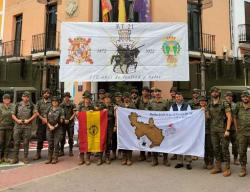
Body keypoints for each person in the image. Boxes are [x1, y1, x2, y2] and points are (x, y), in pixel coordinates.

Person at [208, 86, 232, 177]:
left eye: (216, 92)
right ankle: (218, 167)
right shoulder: (209, 104)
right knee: (216, 148)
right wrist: (203, 111)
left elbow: (229, 117)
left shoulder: (224, 103)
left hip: (223, 130)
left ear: (219, 93)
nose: (214, 93)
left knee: (224, 149)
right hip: (213, 130)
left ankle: (227, 168)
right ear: (211, 93)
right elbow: (208, 116)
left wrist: (228, 130)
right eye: (213, 92)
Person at [11, 91, 37, 164]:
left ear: (29, 98)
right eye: (24, 97)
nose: (26, 98)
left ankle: (25, 158)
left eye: (27, 97)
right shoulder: (17, 105)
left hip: (27, 126)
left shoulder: (32, 105)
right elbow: (13, 115)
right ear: (22, 97)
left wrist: (28, 120)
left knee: (26, 142)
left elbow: (35, 114)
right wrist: (17, 120)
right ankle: (15, 158)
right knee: (16, 142)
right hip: (18, 125)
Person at [170, 92, 192, 170]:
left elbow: (189, 117)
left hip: (185, 129)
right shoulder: (172, 106)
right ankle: (180, 162)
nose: (178, 98)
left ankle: (188, 162)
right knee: (178, 145)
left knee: (187, 145)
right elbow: (170, 117)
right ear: (175, 98)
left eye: (179, 97)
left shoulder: (187, 105)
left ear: (182, 97)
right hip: (177, 129)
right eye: (176, 97)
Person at [150, 88, 170, 166]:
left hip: (163, 125)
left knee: (164, 142)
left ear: (161, 93)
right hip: (154, 126)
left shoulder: (166, 102)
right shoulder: (150, 102)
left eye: (159, 91)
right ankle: (155, 159)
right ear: (154, 94)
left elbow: (169, 113)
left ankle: (165, 159)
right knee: (153, 141)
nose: (157, 93)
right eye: (156, 92)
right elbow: (146, 112)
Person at [233, 91, 250, 177]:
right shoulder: (238, 106)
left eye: (247, 97)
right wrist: (236, 128)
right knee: (242, 151)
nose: (245, 98)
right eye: (244, 97)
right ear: (241, 98)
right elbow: (234, 117)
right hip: (242, 133)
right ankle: (243, 168)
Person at [77, 91, 95, 165]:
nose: (87, 100)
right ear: (84, 99)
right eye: (86, 98)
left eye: (89, 98)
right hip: (82, 126)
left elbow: (97, 115)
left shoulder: (92, 106)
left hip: (90, 127)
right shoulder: (80, 105)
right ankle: (81, 158)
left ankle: (88, 158)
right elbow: (77, 114)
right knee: (81, 142)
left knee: (89, 142)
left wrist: (92, 112)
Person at [45, 96, 65, 164]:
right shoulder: (49, 109)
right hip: (49, 128)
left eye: (56, 101)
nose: (54, 103)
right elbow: (45, 118)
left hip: (57, 129)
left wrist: (54, 126)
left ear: (58, 102)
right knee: (50, 143)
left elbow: (61, 120)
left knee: (56, 144)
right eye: (53, 101)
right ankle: (49, 158)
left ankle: (55, 158)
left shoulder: (61, 110)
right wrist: (49, 126)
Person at [33, 88, 51, 160]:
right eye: (45, 93)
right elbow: (36, 111)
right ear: (43, 94)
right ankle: (38, 153)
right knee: (40, 138)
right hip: (41, 122)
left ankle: (50, 154)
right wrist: (42, 119)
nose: (46, 94)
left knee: (50, 138)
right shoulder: (39, 102)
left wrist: (47, 119)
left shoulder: (52, 102)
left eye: (47, 93)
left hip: (50, 122)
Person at [120, 92, 136, 166]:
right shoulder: (120, 105)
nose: (126, 98)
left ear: (129, 98)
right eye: (125, 97)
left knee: (129, 141)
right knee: (123, 141)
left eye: (127, 97)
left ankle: (129, 157)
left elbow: (136, 114)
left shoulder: (133, 105)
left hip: (130, 126)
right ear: (123, 98)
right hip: (122, 126)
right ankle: (124, 157)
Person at [224, 91, 239, 165]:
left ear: (232, 97)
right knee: (225, 144)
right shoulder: (222, 105)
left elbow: (238, 116)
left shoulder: (235, 105)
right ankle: (226, 159)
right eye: (227, 96)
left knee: (235, 145)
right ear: (225, 97)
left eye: (230, 96)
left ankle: (236, 158)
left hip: (234, 128)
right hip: (225, 128)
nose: (229, 97)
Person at [199, 96, 214, 170]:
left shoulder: (209, 109)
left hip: (209, 131)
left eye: (203, 101)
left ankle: (211, 162)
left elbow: (209, 118)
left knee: (209, 147)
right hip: (200, 132)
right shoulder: (197, 110)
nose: (202, 102)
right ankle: (206, 162)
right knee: (204, 148)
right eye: (201, 101)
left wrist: (205, 111)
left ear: (206, 102)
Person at [59, 92, 76, 157]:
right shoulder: (61, 105)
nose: (66, 98)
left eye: (68, 96)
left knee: (71, 137)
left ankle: (71, 150)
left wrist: (69, 120)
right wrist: (64, 120)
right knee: (62, 137)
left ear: (69, 97)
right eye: (65, 96)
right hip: (63, 123)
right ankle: (62, 150)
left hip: (70, 123)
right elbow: (60, 114)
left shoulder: (72, 104)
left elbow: (74, 113)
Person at [138, 86, 152, 162]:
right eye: (143, 91)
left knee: (149, 137)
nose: (145, 92)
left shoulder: (151, 100)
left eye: (146, 91)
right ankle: (142, 153)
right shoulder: (138, 100)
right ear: (142, 92)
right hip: (141, 122)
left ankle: (149, 154)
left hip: (149, 121)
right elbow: (133, 108)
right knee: (141, 137)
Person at [0, 94, 15, 163]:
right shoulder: (0, 106)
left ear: (10, 100)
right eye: (5, 99)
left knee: (7, 143)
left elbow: (15, 116)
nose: (6, 100)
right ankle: (0, 157)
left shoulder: (13, 106)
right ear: (3, 100)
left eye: (8, 99)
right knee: (1, 142)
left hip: (9, 127)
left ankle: (5, 157)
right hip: (1, 127)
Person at [103, 93, 115, 164]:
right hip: (102, 125)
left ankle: (107, 156)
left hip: (110, 125)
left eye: (108, 98)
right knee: (101, 140)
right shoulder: (100, 106)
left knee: (108, 141)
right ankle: (100, 157)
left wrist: (115, 126)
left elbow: (115, 117)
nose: (107, 99)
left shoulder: (113, 107)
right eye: (106, 98)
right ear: (104, 99)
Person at [112, 92, 123, 160]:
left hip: (122, 125)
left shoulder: (123, 105)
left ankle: (119, 152)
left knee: (120, 139)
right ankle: (113, 153)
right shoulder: (112, 105)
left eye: (119, 97)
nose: (118, 98)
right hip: (113, 124)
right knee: (114, 139)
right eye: (117, 97)